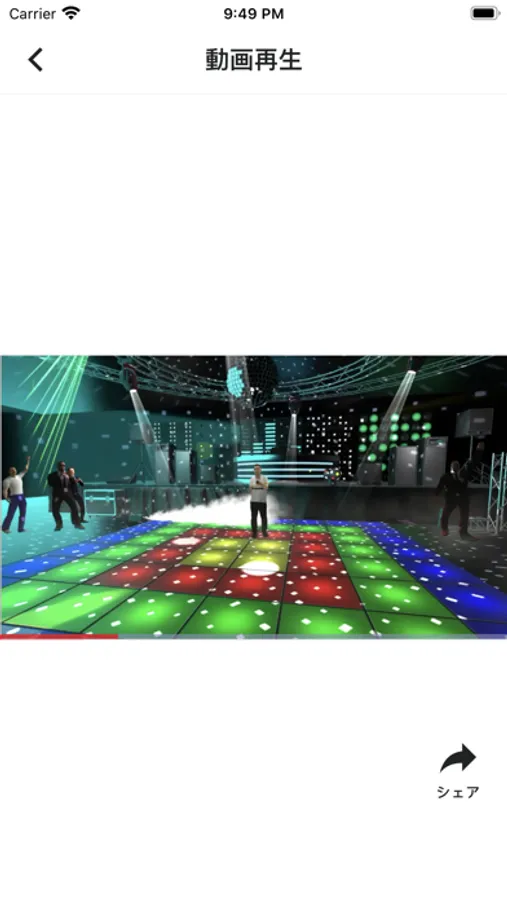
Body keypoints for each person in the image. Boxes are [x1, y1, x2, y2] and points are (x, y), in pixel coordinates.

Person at [436, 441, 484, 539]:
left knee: (464, 515)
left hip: (463, 497)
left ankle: (463, 533)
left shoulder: (463, 473)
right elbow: (440, 486)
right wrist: (437, 492)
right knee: (445, 514)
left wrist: (479, 451)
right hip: (451, 498)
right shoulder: (446, 476)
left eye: (457, 466)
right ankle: (444, 528)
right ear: (451, 467)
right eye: (454, 466)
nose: (455, 468)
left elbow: (473, 462)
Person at [47, 461, 84, 531]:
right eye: (61, 465)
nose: (62, 467)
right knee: (55, 509)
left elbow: (73, 483)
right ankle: (59, 524)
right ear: (58, 467)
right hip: (58, 495)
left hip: (68, 494)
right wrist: (58, 477)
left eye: (64, 465)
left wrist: (72, 477)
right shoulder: (52, 475)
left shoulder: (68, 474)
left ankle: (77, 523)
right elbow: (50, 484)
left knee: (74, 508)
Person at [2, 455, 31, 534]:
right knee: (10, 514)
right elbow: (5, 490)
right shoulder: (7, 480)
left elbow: (26, 469)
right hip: (14, 498)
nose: (14, 471)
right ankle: (5, 527)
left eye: (14, 470)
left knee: (23, 513)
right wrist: (7, 498)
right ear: (9, 472)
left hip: (22, 497)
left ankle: (21, 528)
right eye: (12, 470)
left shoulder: (19, 476)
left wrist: (28, 460)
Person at [249, 464, 269, 538]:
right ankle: (254, 532)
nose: (256, 470)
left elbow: (266, 487)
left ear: (260, 470)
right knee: (253, 517)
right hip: (253, 500)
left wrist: (260, 483)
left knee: (263, 516)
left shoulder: (264, 478)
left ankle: (264, 531)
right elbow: (250, 488)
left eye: (258, 469)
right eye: (255, 469)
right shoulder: (252, 478)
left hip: (262, 501)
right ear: (254, 470)